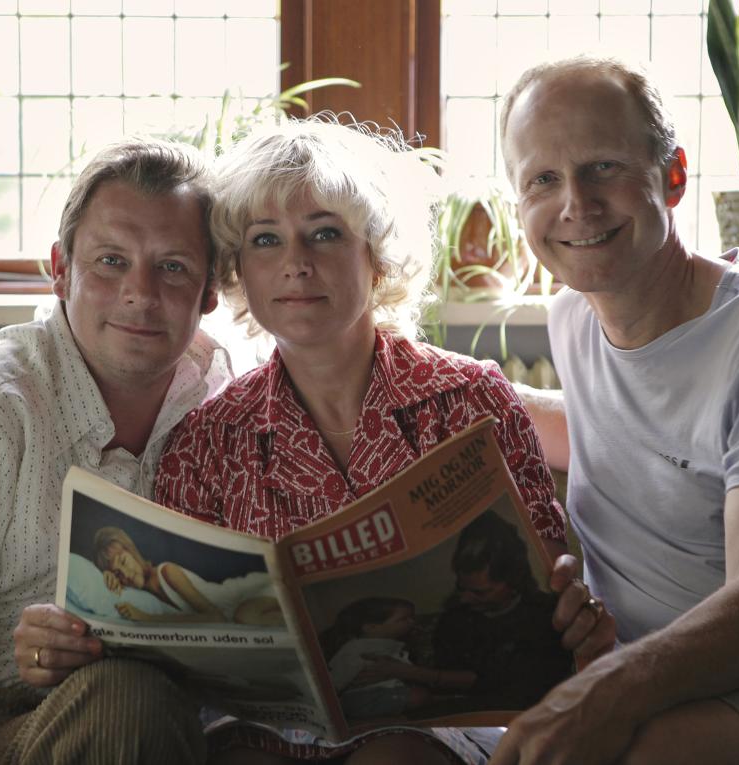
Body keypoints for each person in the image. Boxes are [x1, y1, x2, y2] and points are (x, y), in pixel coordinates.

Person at [152, 115, 615, 765]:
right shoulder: (203, 442)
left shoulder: (472, 401)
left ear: (376, 256)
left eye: (325, 233)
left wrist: (567, 605)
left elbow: (541, 584)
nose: (296, 263)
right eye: (265, 239)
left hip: (436, 721)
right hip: (266, 730)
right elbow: (184, 640)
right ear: (238, 272)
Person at [494, 55, 739, 765]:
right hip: (668, 685)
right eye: (542, 179)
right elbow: (617, 428)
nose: (576, 203)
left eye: (603, 167)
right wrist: (438, 384)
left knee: (636, 751)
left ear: (672, 176)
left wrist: (599, 693)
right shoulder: (573, 320)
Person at [0, 138, 233, 765]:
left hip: (175, 724)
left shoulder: (228, 397)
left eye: (173, 267)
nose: (140, 294)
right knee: (128, 700)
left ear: (210, 291)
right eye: (111, 261)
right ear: (61, 269)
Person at [432, 510, 572, 711]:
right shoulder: (452, 621)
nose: (464, 598)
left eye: (480, 592)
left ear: (514, 582)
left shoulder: (547, 615)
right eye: (461, 588)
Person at [92, 526, 284, 625]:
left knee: (245, 617)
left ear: (132, 552)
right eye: (118, 574)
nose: (126, 575)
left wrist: (146, 618)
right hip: (240, 607)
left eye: (124, 562)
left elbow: (216, 618)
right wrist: (107, 577)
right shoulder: (144, 592)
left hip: (248, 592)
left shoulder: (167, 572)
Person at [321, 596, 431, 720]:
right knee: (419, 696)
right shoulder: (357, 647)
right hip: (364, 696)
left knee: (421, 694)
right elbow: (336, 678)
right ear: (371, 627)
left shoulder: (394, 643)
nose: (412, 622)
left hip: (388, 690)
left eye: (412, 618)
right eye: (404, 619)